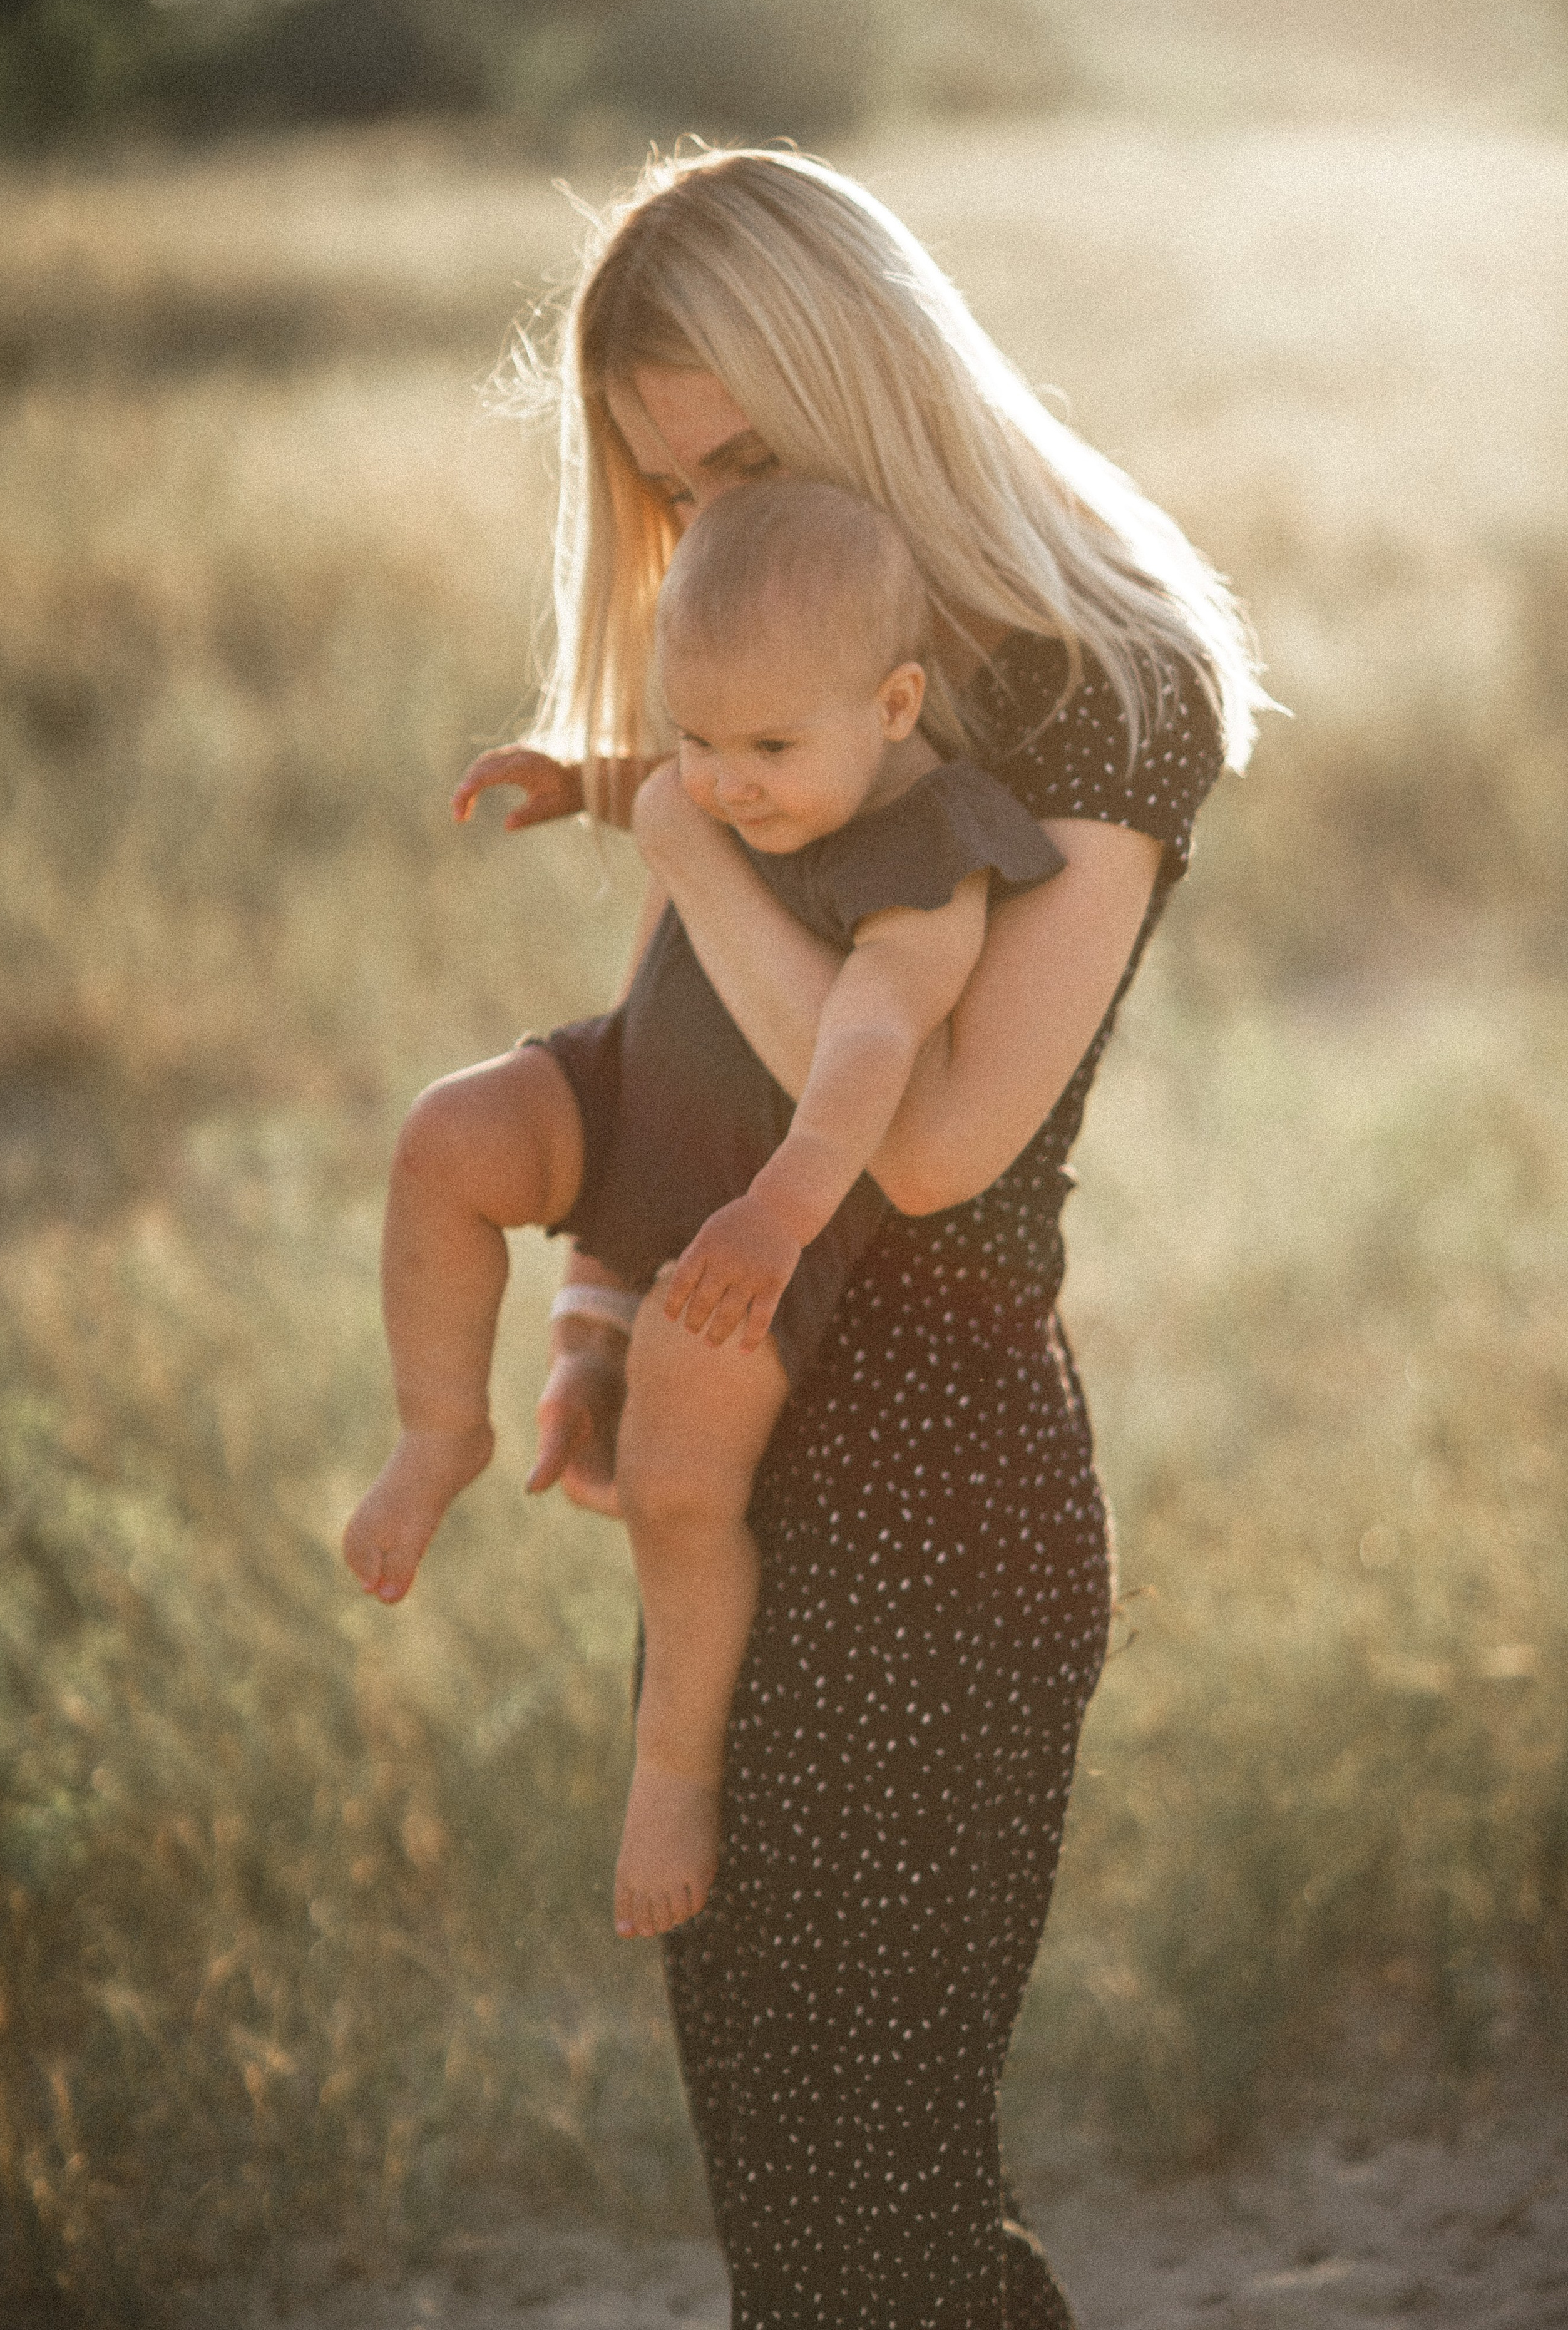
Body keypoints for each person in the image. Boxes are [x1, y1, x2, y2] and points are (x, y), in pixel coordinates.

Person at [436, 147, 1261, 2329]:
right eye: (669, 491)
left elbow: (940, 1149)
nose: (711, 530)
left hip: (940, 1503)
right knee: (793, 2232)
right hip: (741, 1446)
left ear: (870, 382)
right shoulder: (759, 680)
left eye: (749, 458)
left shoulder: (1108, 683)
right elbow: (686, 1057)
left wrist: (692, 837)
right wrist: (594, 1311)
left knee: (883, 2219)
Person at [344, 475, 1065, 1943]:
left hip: (771, 1202)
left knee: (679, 1474)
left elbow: (874, 1048)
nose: (727, 782)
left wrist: (780, 1212)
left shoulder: (934, 852)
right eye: (695, 739)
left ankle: (670, 1771)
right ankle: (438, 1432)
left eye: (767, 748)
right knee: (446, 1138)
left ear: (893, 701)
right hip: (624, 1097)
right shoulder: (765, 755)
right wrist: (591, 778)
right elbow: (702, 767)